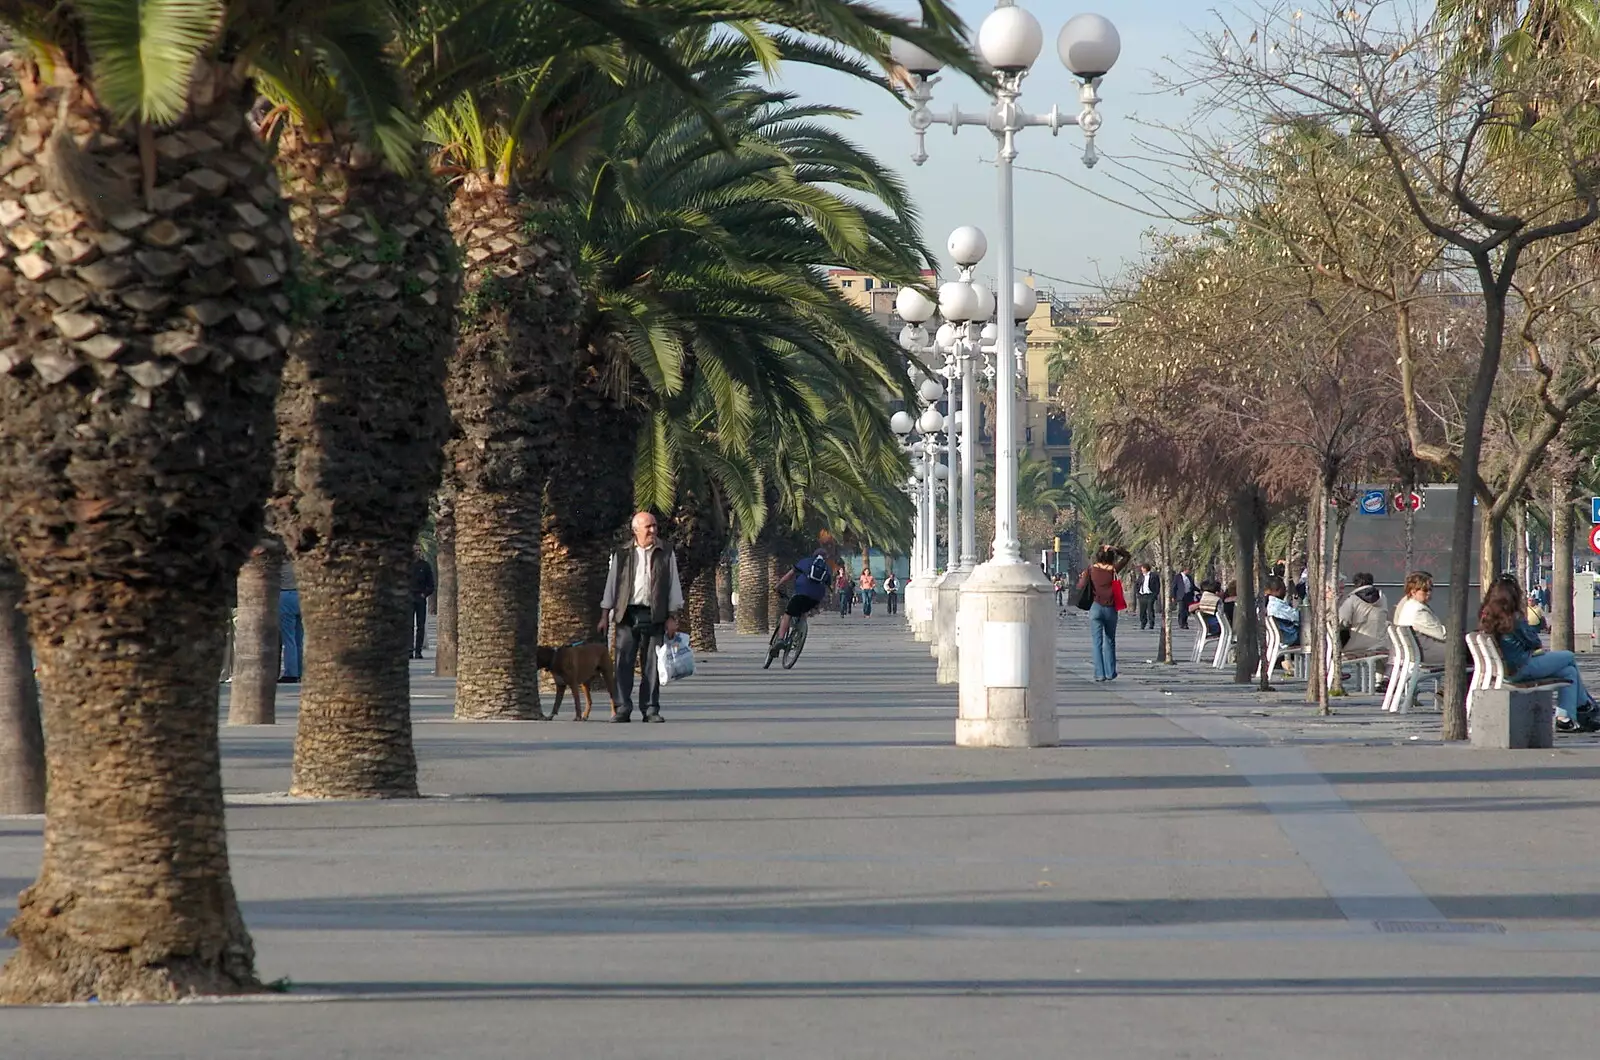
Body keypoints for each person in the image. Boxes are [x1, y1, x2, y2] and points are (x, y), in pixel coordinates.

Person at [1480, 575, 1598, 732]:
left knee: (1569, 672)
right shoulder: (1514, 618)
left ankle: (1566, 718)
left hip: (1507, 669)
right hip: (1522, 668)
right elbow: (1535, 642)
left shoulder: (1488, 615)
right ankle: (1584, 705)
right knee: (1568, 656)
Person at [597, 511, 683, 723]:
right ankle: (622, 708)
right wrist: (604, 614)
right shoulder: (622, 553)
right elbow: (612, 584)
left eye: (654, 526)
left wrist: (672, 616)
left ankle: (651, 709)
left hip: (655, 614)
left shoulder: (666, 552)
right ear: (635, 530)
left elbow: (673, 585)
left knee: (652, 664)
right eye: (648, 527)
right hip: (627, 613)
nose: (653, 530)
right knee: (622, 663)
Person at [1078, 544, 1130, 681]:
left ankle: (1099, 674)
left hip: (1096, 608)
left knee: (1097, 642)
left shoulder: (1091, 569)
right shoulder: (1113, 570)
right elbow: (1127, 556)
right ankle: (1110, 672)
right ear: (1111, 557)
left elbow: (1081, 586)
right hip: (1111, 608)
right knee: (1110, 640)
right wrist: (1116, 548)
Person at [771, 549, 830, 655]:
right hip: (815, 597)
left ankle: (780, 639)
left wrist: (778, 585)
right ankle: (798, 636)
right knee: (804, 612)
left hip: (801, 593)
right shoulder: (827, 568)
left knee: (788, 614)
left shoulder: (806, 561)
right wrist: (818, 604)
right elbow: (827, 587)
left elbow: (789, 575)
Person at [1392, 570, 1447, 665]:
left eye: (1431, 589)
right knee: (1465, 652)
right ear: (1413, 592)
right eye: (1425, 590)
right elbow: (1442, 634)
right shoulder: (1418, 610)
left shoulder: (1407, 605)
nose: (1429, 592)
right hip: (1426, 653)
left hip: (1417, 651)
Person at [1337, 572, 1390, 656]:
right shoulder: (1383, 598)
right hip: (1381, 645)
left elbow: (1341, 621)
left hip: (1358, 648)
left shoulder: (1352, 600)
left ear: (1356, 584)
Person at [409, 545, 436, 660]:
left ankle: (418, 651)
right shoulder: (406, 565)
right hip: (408, 598)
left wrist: (424, 594)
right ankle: (409, 651)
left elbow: (431, 585)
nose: (418, 552)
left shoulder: (425, 566)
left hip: (420, 598)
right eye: (415, 550)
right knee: (408, 625)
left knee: (421, 626)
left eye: (419, 550)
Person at [279, 557, 302, 684]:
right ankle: (300, 670)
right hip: (300, 594)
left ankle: (291, 673)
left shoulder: (282, 562)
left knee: (289, 639)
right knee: (300, 638)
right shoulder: (299, 561)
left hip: (286, 594)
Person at [1264, 575, 1301, 648]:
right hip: (1288, 640)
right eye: (1284, 588)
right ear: (1277, 590)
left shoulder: (1266, 604)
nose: (1285, 591)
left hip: (1278, 640)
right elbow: (1296, 617)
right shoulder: (1276, 605)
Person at [1134, 564, 1158, 630]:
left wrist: (1155, 594)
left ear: (1146, 568)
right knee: (1142, 611)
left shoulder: (1153, 575)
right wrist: (1138, 593)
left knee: (1150, 610)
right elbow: (1137, 584)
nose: (1141, 570)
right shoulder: (1141, 576)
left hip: (1150, 595)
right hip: (1142, 595)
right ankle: (1143, 623)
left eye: (1142, 568)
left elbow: (1157, 586)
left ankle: (1151, 624)